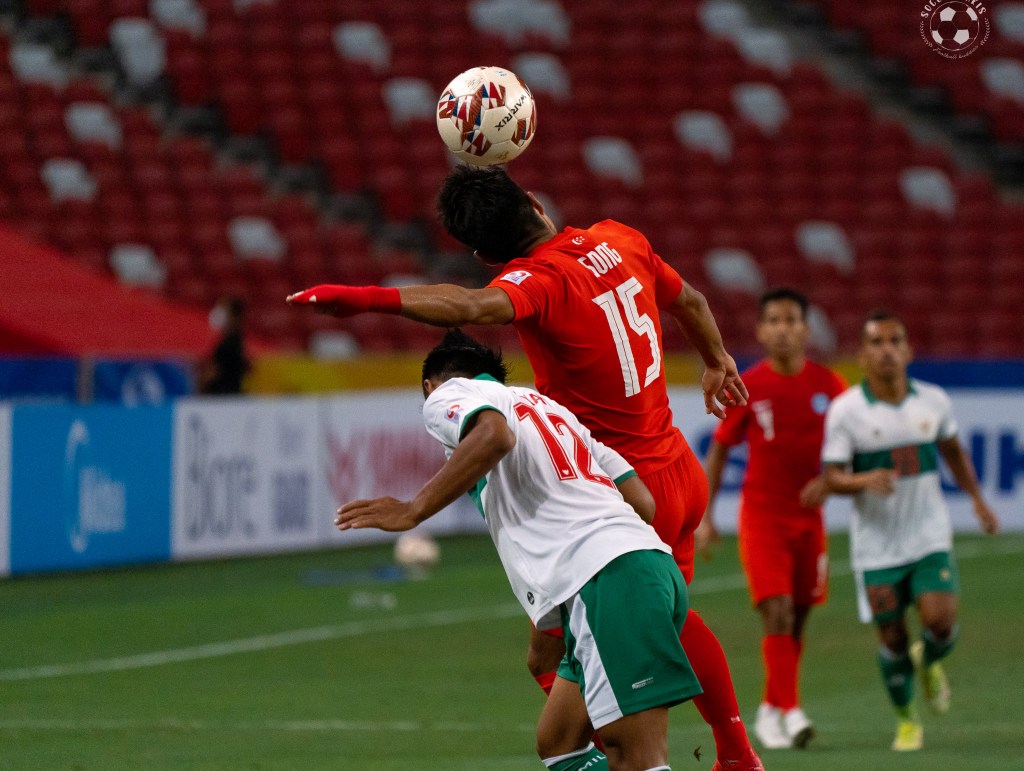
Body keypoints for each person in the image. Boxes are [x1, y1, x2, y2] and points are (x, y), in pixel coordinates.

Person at [288, 164, 762, 771]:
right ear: (535, 203)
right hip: (673, 467)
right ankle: (732, 752)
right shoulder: (619, 237)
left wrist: (364, 300)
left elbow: (470, 305)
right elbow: (690, 300)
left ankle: (668, 749)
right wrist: (717, 359)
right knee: (632, 629)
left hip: (616, 487)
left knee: (610, 647)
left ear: (486, 256)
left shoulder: (540, 281)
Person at [336, 330, 703, 770]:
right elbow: (642, 503)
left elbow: (494, 435)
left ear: (430, 387)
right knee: (560, 744)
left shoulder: (450, 393)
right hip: (642, 569)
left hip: (608, 579)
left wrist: (413, 510)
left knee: (637, 757)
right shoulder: (553, 412)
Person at [810, 309, 1000, 752]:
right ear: (862, 354)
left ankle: (929, 660)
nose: (887, 351)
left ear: (909, 350)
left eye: (895, 341)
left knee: (940, 622)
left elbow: (953, 451)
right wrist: (862, 480)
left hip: (928, 535)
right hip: (876, 547)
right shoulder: (846, 412)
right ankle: (907, 720)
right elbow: (831, 476)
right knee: (893, 638)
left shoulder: (933, 401)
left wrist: (976, 498)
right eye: (876, 343)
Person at [695, 288, 847, 750]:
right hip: (763, 518)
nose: (783, 329)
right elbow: (720, 449)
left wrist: (832, 481)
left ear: (806, 329)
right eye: (774, 321)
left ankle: (770, 707)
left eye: (791, 320)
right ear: (761, 331)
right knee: (776, 610)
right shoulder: (749, 385)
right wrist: (706, 516)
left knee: (797, 617)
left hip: (810, 522)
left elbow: (853, 447)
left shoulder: (830, 387)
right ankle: (793, 712)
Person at [199, 295, 250, 395]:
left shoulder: (229, 345)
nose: (218, 313)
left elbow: (211, 374)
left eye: (223, 310)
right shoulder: (237, 341)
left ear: (233, 316)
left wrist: (200, 386)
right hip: (229, 394)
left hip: (221, 397)